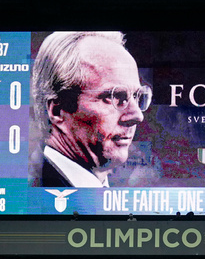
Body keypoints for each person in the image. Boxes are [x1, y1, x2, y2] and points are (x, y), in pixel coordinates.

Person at [31, 31, 151, 187]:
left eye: (136, 96)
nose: (137, 116)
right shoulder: (26, 195)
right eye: (113, 97)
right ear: (57, 111)